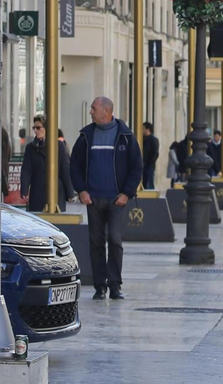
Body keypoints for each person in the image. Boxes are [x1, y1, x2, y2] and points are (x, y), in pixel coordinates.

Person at [69, 97, 143, 300]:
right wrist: (81, 190)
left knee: (115, 240)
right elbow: (74, 165)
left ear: (107, 111)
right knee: (96, 242)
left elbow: (136, 167)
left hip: (116, 200)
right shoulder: (86, 136)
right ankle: (99, 286)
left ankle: (115, 285)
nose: (90, 112)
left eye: (94, 108)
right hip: (93, 199)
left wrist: (126, 193)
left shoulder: (125, 136)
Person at [23, 114, 74, 212]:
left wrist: (70, 193)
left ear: (46, 128)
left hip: (55, 192)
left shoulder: (58, 146)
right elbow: (26, 169)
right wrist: (24, 189)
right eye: (34, 128)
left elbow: (65, 169)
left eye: (38, 128)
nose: (35, 130)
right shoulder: (30, 147)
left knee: (55, 222)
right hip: (37, 191)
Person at [141, 122, 160, 191]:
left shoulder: (153, 140)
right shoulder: (142, 139)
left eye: (143, 128)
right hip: (142, 165)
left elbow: (155, 153)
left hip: (149, 165)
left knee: (148, 183)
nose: (141, 130)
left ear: (147, 129)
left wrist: (150, 163)